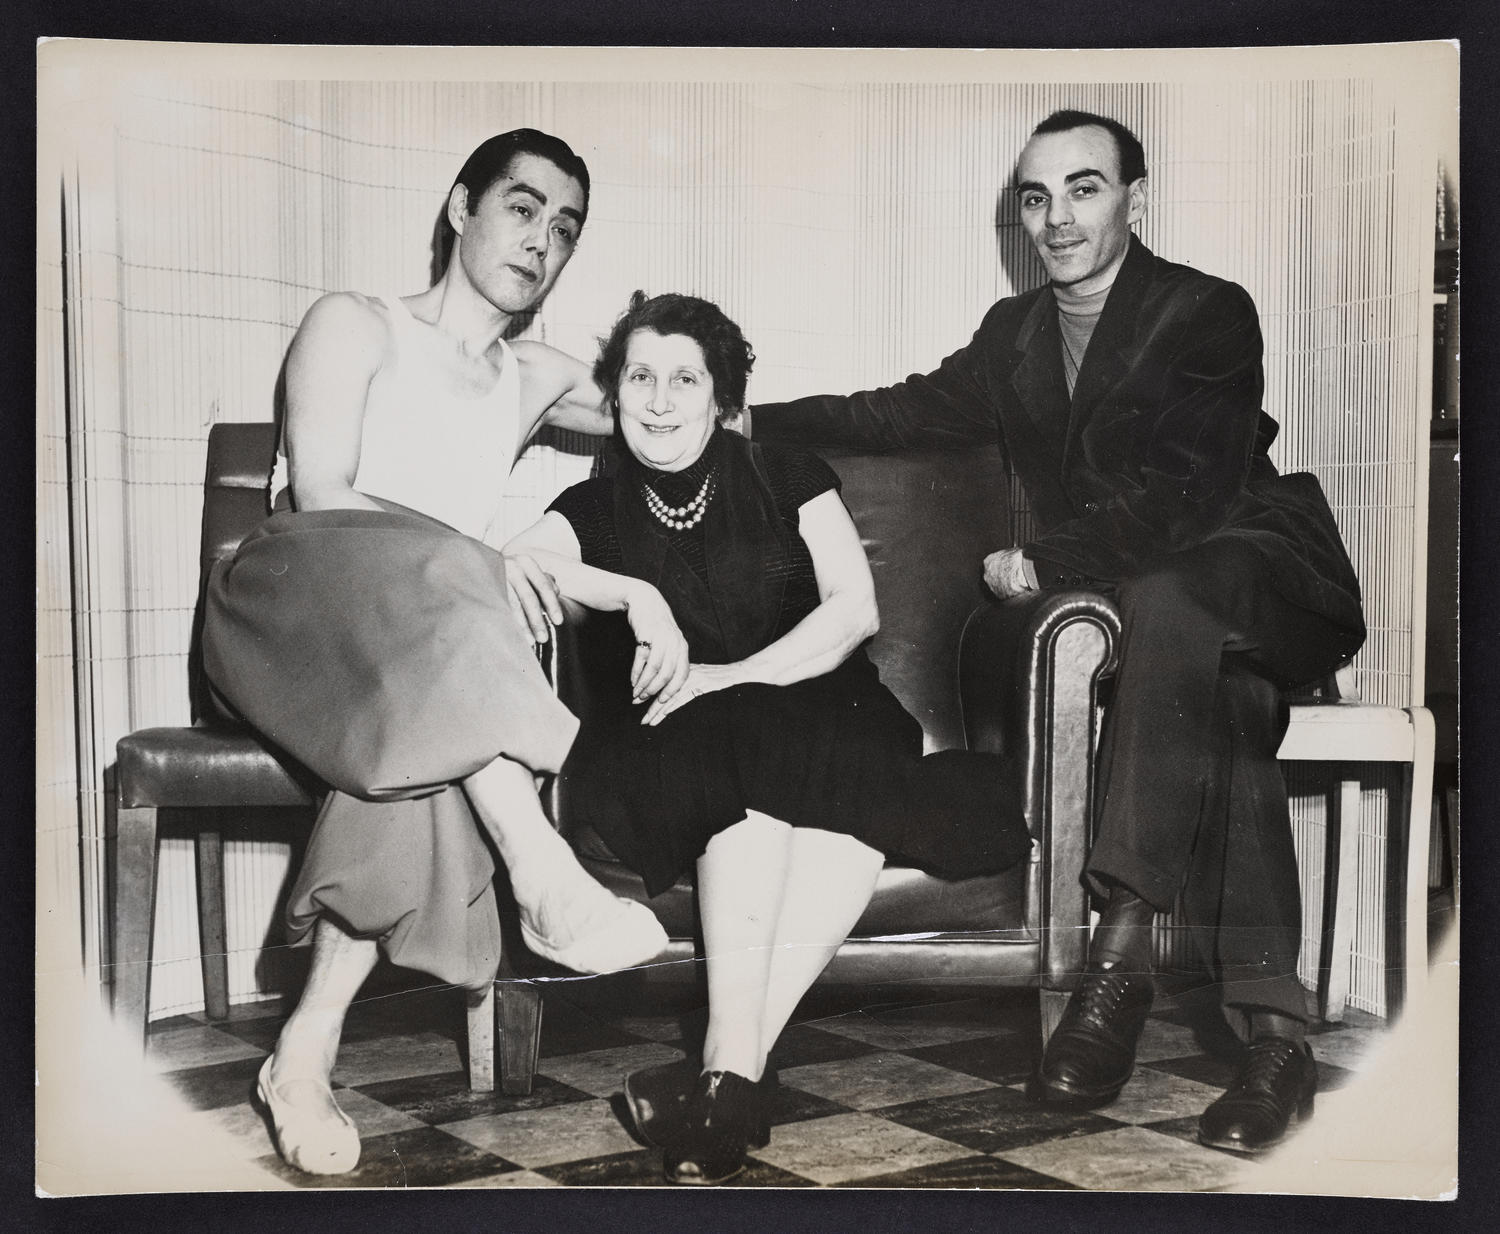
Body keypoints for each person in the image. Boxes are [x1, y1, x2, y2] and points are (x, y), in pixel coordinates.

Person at [749, 110, 1367, 1156]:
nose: (1057, 217)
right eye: (1037, 197)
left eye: (1084, 188)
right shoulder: (1015, 337)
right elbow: (900, 412)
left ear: (1135, 197)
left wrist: (1048, 564)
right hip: (1188, 643)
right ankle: (1276, 1041)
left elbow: (1185, 492)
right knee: (1228, 708)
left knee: (1169, 596)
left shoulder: (1208, 311)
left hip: (1255, 565)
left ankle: (1115, 957)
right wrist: (744, 414)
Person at [200, 129, 668, 1176]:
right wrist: (481, 559)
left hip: (416, 663)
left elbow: (671, 404)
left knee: (424, 749)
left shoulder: (534, 371)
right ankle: (540, 865)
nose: (542, 239)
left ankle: (302, 1053)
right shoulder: (354, 322)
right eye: (522, 207)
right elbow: (322, 496)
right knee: (468, 584)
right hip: (287, 612)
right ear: (460, 207)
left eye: (565, 228)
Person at [505, 291, 1030, 1184]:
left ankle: (723, 1076)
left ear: (722, 398)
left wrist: (727, 676)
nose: (661, 401)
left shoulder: (788, 473)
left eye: (684, 379)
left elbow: (854, 611)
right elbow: (513, 559)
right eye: (640, 378)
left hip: (823, 708)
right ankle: (730, 1084)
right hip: (682, 744)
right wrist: (636, 595)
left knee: (832, 772)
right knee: (741, 761)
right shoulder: (590, 506)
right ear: (615, 394)